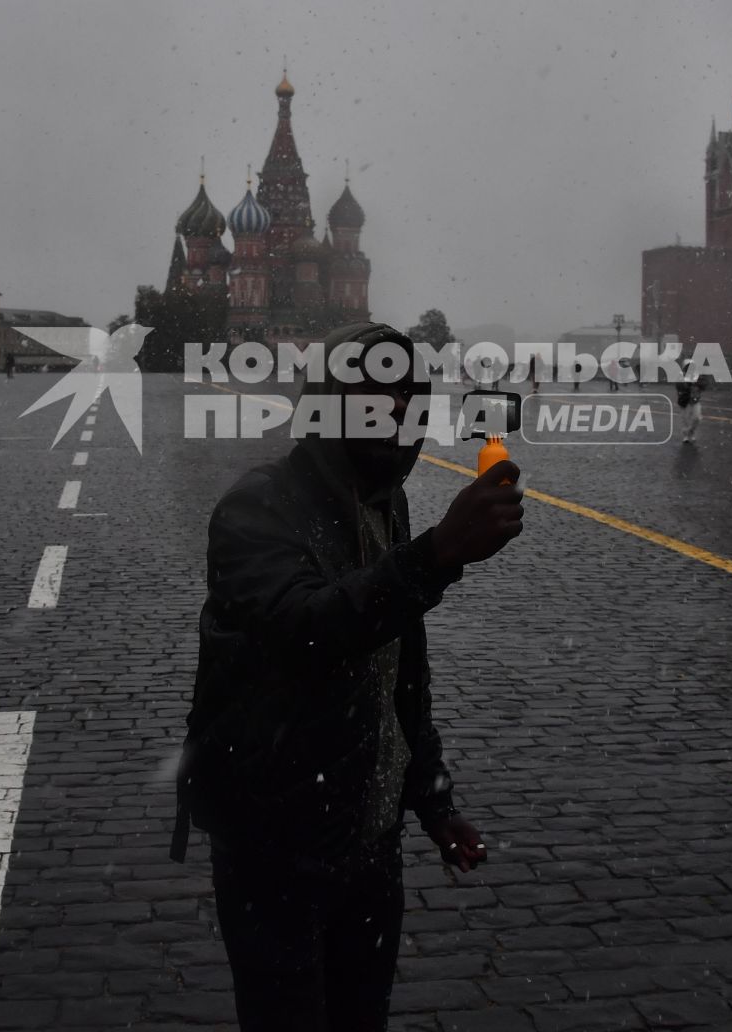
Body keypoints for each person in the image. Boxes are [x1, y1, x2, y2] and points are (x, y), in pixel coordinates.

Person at [174, 321, 523, 1029]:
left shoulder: (381, 502)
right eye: (375, 387)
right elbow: (306, 631)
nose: (396, 405)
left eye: (410, 390)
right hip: (276, 842)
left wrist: (433, 800)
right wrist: (436, 555)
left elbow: (399, 676)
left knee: (361, 1018)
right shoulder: (258, 505)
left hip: (368, 840)